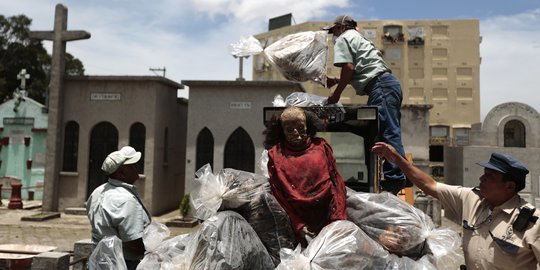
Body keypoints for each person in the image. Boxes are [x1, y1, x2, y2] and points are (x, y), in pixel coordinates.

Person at [372, 142, 540, 270]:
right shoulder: (471, 199)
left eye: (490, 176)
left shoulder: (532, 222)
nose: (482, 179)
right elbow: (429, 185)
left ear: (509, 186)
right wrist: (399, 161)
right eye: (484, 174)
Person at [323, 15, 409, 194]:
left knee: (387, 132)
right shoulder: (359, 38)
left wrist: (336, 94)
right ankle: (400, 176)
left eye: (334, 30)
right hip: (386, 85)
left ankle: (395, 180)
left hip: (381, 87)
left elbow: (348, 68)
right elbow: (365, 69)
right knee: (383, 132)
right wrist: (337, 80)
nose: (334, 35)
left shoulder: (344, 38)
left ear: (343, 27)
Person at [264, 106, 348, 246]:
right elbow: (279, 196)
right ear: (282, 131)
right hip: (296, 221)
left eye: (300, 128)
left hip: (327, 215)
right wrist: (298, 224)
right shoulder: (275, 154)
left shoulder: (321, 147)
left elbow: (337, 184)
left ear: (308, 127)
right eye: (289, 130)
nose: (296, 133)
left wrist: (338, 219)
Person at [86, 146, 151, 270]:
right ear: (122, 173)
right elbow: (132, 242)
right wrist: (154, 252)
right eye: (133, 165)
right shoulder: (127, 200)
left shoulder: (97, 192)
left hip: (100, 260)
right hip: (126, 263)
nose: (137, 167)